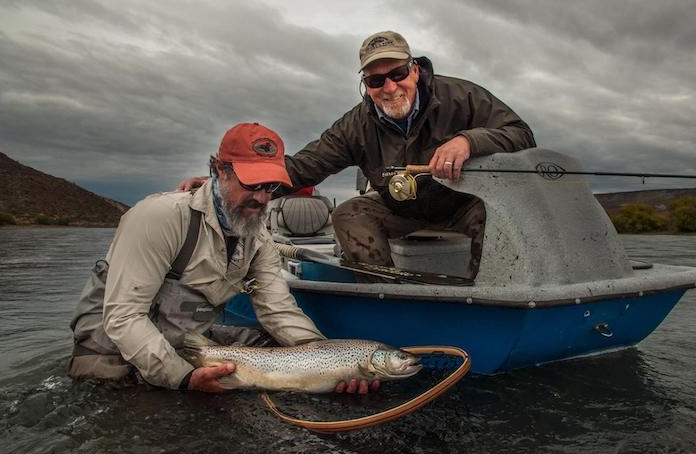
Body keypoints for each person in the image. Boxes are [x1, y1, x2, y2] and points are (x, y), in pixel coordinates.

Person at [181, 31, 536, 278]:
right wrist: (229, 184)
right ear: (365, 83)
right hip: (402, 210)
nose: (390, 87)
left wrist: (469, 141)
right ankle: (387, 294)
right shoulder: (355, 125)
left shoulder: (463, 96)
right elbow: (304, 167)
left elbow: (520, 135)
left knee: (494, 212)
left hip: (465, 203)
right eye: (376, 80)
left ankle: (486, 297)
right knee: (350, 212)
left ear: (414, 69)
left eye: (397, 73)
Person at [70, 122, 376, 393]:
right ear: (219, 171)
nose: (261, 197)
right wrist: (184, 378)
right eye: (252, 184)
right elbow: (123, 317)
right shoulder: (158, 218)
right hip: (111, 348)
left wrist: (329, 363)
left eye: (270, 186)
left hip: (185, 340)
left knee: (267, 342)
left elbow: (278, 312)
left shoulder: (259, 241)